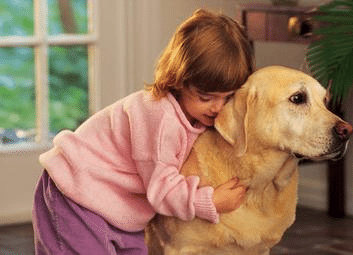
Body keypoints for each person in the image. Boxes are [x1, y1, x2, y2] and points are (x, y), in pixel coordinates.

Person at [32, 9, 256, 255]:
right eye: (206, 97)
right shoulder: (161, 119)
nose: (218, 108)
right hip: (77, 192)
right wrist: (209, 201)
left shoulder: (198, 115)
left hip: (120, 207)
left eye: (228, 97)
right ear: (179, 79)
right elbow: (163, 190)